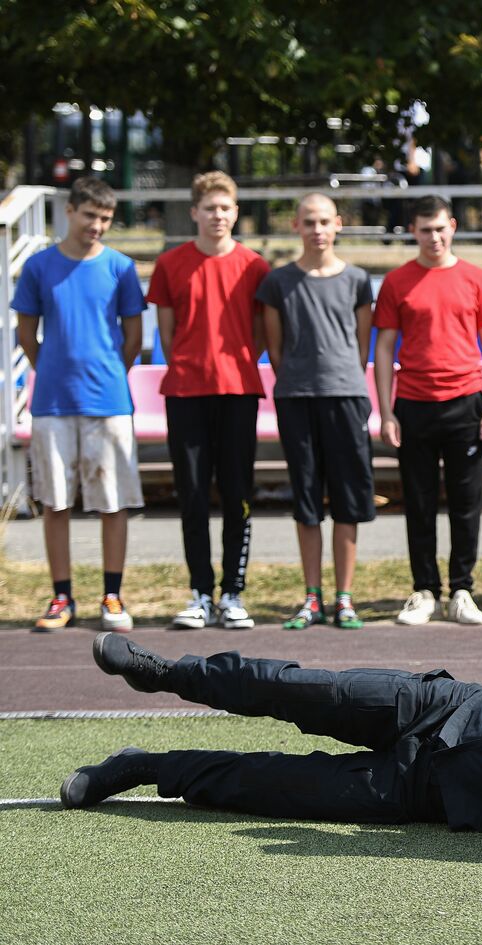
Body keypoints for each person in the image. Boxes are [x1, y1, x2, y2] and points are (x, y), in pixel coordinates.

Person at [61, 476, 482, 890]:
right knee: (293, 687)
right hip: (437, 706)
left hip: (424, 791)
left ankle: (141, 767)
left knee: (263, 785)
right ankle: (164, 672)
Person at [14, 177, 145, 633]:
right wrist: (48, 368)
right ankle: (61, 597)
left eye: (106, 218)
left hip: (109, 401)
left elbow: (133, 338)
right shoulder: (39, 266)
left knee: (113, 502)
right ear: (69, 212)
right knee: (55, 502)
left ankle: (112, 595)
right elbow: (26, 332)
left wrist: (108, 373)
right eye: (90, 215)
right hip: (52, 401)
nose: (97, 225)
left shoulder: (120, 267)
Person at [374, 195, 482, 626]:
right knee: (419, 501)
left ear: (452, 225)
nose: (434, 237)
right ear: (413, 230)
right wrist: (387, 412)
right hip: (413, 404)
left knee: (466, 503)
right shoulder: (397, 281)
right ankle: (424, 590)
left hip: (466, 402)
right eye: (425, 229)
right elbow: (384, 347)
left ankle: (462, 589)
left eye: (440, 228)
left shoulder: (475, 278)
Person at [147, 171, 269, 630]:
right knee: (193, 495)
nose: (218, 216)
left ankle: (232, 593)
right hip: (185, 391)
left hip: (238, 391)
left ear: (236, 213)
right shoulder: (170, 264)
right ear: (194, 212)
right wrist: (192, 362)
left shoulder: (254, 265)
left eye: (226, 208)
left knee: (237, 493)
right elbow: (168, 330)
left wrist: (235, 362)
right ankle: (200, 591)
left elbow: (259, 331)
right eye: (209, 208)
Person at [256, 193, 376, 630]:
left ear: (339, 224)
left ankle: (344, 597)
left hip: (346, 396)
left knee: (347, 499)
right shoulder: (277, 282)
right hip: (296, 397)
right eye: (309, 222)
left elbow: (361, 343)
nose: (317, 229)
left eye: (325, 221)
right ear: (296, 226)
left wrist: (344, 376)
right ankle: (312, 597)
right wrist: (298, 379)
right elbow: (275, 346)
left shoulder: (358, 280)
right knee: (307, 499)